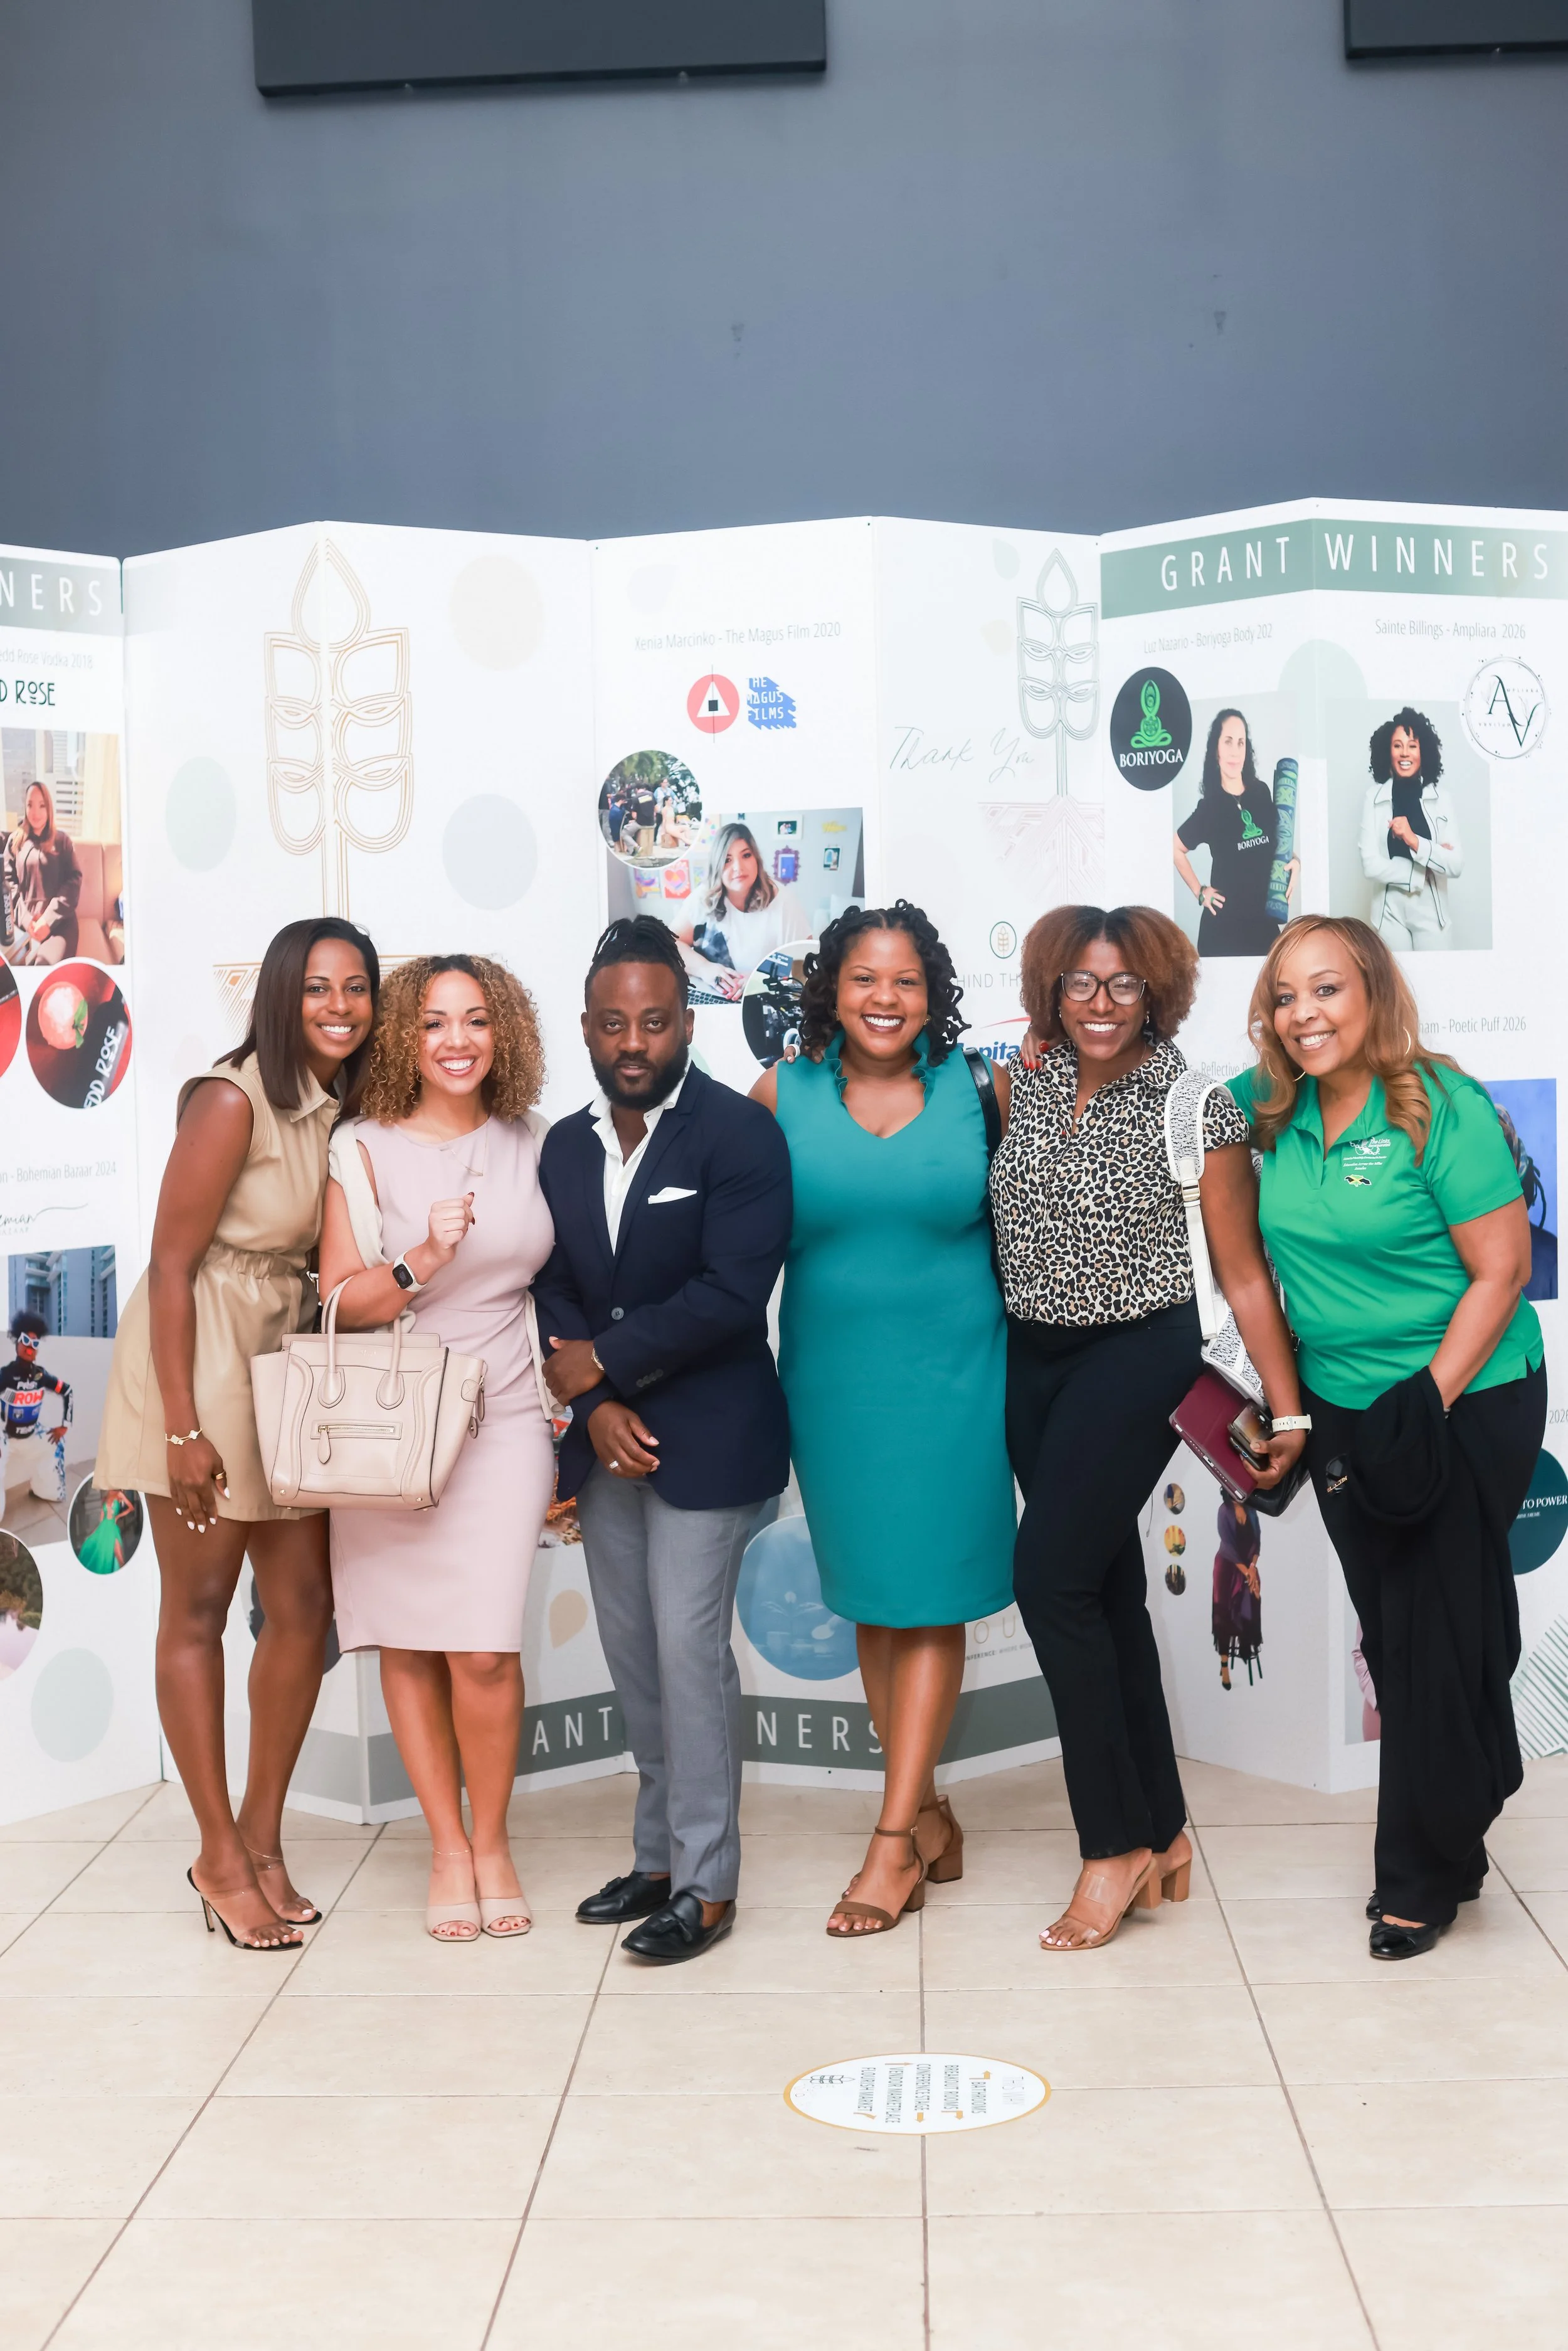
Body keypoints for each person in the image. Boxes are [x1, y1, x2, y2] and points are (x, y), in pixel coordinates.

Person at [1231, 915, 1544, 1958]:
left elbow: (1503, 1270)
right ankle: (1459, 1820)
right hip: (1340, 1409)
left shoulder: (1435, 1104)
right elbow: (1233, 1245)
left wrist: (1427, 1402)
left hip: (1467, 1393)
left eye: (1326, 989)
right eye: (1285, 997)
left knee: (1430, 1629)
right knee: (1403, 1628)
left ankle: (1416, 1874)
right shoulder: (1267, 1110)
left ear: (1372, 992)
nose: (1304, 1014)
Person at [997, 904, 1305, 1951]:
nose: (1101, 1002)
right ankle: (1165, 1827)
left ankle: (1112, 1844)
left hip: (1138, 1352)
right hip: (1032, 1360)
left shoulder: (1196, 1106)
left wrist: (1287, 1405)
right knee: (1101, 1590)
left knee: (1049, 1582)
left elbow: (1244, 1273)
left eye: (1123, 982)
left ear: (1155, 992)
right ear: (1051, 990)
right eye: (1080, 982)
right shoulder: (1026, 1081)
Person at [97, 918, 379, 1950]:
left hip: (284, 1356)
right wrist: (181, 1427)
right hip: (202, 1356)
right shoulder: (231, 1099)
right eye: (318, 988)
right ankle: (216, 1852)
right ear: (280, 996)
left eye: (356, 987)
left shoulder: (342, 1104)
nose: (340, 1006)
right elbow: (172, 1266)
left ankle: (261, 1840)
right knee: (199, 1606)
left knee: (303, 1606)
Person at [752, 902, 1015, 1935]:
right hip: (835, 1390)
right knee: (874, 1600)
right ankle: (931, 1810)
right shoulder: (781, 1092)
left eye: (906, 979)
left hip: (957, 1385)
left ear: (932, 991)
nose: (885, 997)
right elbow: (728, 1237)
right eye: (865, 977)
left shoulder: (980, 1088)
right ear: (832, 986)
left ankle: (893, 1840)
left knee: (932, 1600)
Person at [534, 916, 792, 1965]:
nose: (632, 1041)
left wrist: (605, 1362)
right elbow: (551, 1281)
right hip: (607, 1440)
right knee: (635, 1655)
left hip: (710, 1437)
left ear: (687, 1021)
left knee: (688, 1655)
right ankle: (655, 1858)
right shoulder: (564, 1145)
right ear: (586, 1029)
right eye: (613, 1023)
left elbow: (732, 1293)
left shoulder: (738, 1135)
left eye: (652, 1021)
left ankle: (707, 1883)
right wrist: (595, 1404)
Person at [319, 955, 556, 1943]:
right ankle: (448, 1849)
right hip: (393, 1419)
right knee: (410, 1642)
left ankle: (492, 1842)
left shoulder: (535, 1140)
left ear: (505, 1032)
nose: (456, 1041)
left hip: (506, 1419)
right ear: (402, 1040)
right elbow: (341, 1301)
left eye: (475, 1020)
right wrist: (421, 1258)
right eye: (432, 1023)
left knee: (486, 1650)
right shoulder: (361, 1148)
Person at [1173, 709, 1297, 957]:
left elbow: (1277, 840)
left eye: (1241, 743)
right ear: (1216, 750)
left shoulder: (1261, 792)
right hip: (1222, 934)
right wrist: (1200, 891)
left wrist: (1296, 862)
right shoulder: (1210, 807)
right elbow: (1175, 848)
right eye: (1228, 742)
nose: (1235, 751)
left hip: (1263, 927)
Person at [1358, 706, 1462, 951]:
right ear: (1388, 752)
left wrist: (1414, 840)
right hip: (1388, 912)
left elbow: (1456, 864)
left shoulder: (1442, 799)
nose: (1405, 753)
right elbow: (1370, 864)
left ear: (1423, 752)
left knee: (1435, 974)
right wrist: (1422, 869)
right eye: (1398, 746)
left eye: (1412, 746)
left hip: (1432, 910)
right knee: (1395, 976)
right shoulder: (1374, 797)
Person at [673, 822, 812, 1001]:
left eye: (746, 855)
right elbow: (671, 943)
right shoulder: (704, 897)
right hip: (711, 997)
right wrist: (704, 968)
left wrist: (760, 979)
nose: (738, 867)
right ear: (717, 865)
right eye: (727, 860)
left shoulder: (783, 901)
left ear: (756, 859)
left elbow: (806, 961)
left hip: (765, 999)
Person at [4, 781, 83, 965]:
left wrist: (48, 920)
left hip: (60, 925)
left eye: (42, 805)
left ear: (49, 808)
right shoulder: (15, 842)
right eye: (30, 805)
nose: (36, 812)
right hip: (24, 926)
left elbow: (74, 881)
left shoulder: (62, 841)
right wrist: (26, 920)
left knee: (42, 967)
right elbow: (8, 885)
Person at [1, 1314, 73, 1503]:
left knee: (57, 1443)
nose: (29, 1347)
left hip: (32, 1435)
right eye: (25, 1340)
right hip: (6, 1438)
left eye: (35, 1343)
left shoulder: (41, 1376)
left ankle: (45, 1490)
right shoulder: (5, 1375)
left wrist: (65, 1425)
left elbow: (67, 1391)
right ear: (17, 1343)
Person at [1212, 1497, 1262, 1690]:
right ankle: (1224, 1665)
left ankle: (1246, 1653)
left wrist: (1252, 1568)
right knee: (1223, 1615)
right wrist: (1248, 1572)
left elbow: (1257, 1542)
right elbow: (1228, 1547)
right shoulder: (1223, 1511)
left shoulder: (1251, 1510)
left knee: (1252, 1603)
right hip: (1226, 1568)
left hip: (1248, 1568)